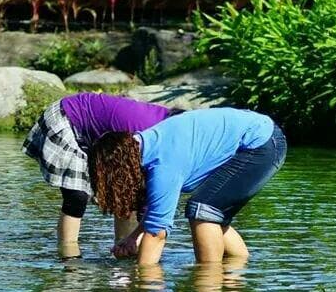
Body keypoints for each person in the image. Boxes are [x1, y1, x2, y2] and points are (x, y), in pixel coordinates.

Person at [88, 107, 286, 266]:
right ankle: (237, 270)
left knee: (203, 210)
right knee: (212, 213)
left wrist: (142, 282)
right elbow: (156, 213)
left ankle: (209, 283)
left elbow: (157, 233)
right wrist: (134, 237)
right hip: (262, 135)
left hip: (261, 143)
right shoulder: (143, 146)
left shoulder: (163, 164)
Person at [22, 92, 177, 255]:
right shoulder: (152, 133)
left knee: (130, 191)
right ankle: (69, 257)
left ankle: (124, 248)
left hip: (93, 132)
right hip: (67, 119)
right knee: (77, 197)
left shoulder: (169, 134)